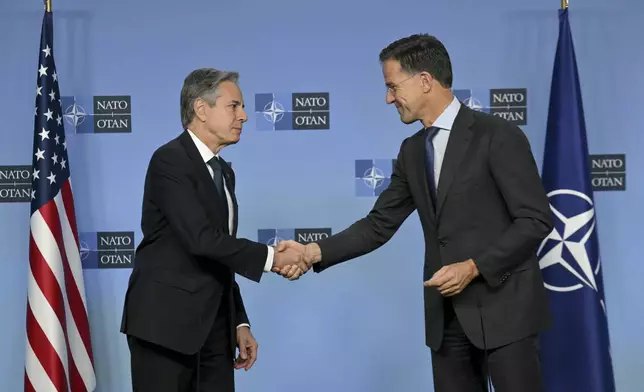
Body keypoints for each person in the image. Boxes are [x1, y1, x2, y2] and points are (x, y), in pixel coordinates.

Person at [276, 34, 555, 392]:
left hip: (506, 315)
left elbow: (535, 219)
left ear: (425, 81)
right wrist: (312, 252)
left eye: (393, 86)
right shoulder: (411, 151)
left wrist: (474, 267)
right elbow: (378, 225)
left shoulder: (497, 135)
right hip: (446, 323)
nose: (388, 97)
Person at [120, 68, 305, 392]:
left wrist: (239, 321)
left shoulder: (223, 172)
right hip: (164, 327)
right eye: (234, 106)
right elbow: (201, 239)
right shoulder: (169, 160)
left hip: (214, 332)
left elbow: (222, 252)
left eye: (243, 107)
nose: (244, 116)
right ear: (201, 109)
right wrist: (272, 257)